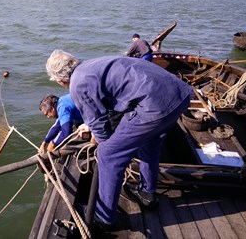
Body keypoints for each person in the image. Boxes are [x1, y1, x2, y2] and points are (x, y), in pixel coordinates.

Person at [46, 49, 192, 228]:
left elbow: (100, 126)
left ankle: (103, 216)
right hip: (179, 95)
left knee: (108, 154)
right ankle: (148, 194)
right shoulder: (92, 65)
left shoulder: (77, 84)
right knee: (150, 143)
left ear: (61, 80)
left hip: (154, 105)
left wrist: (104, 143)